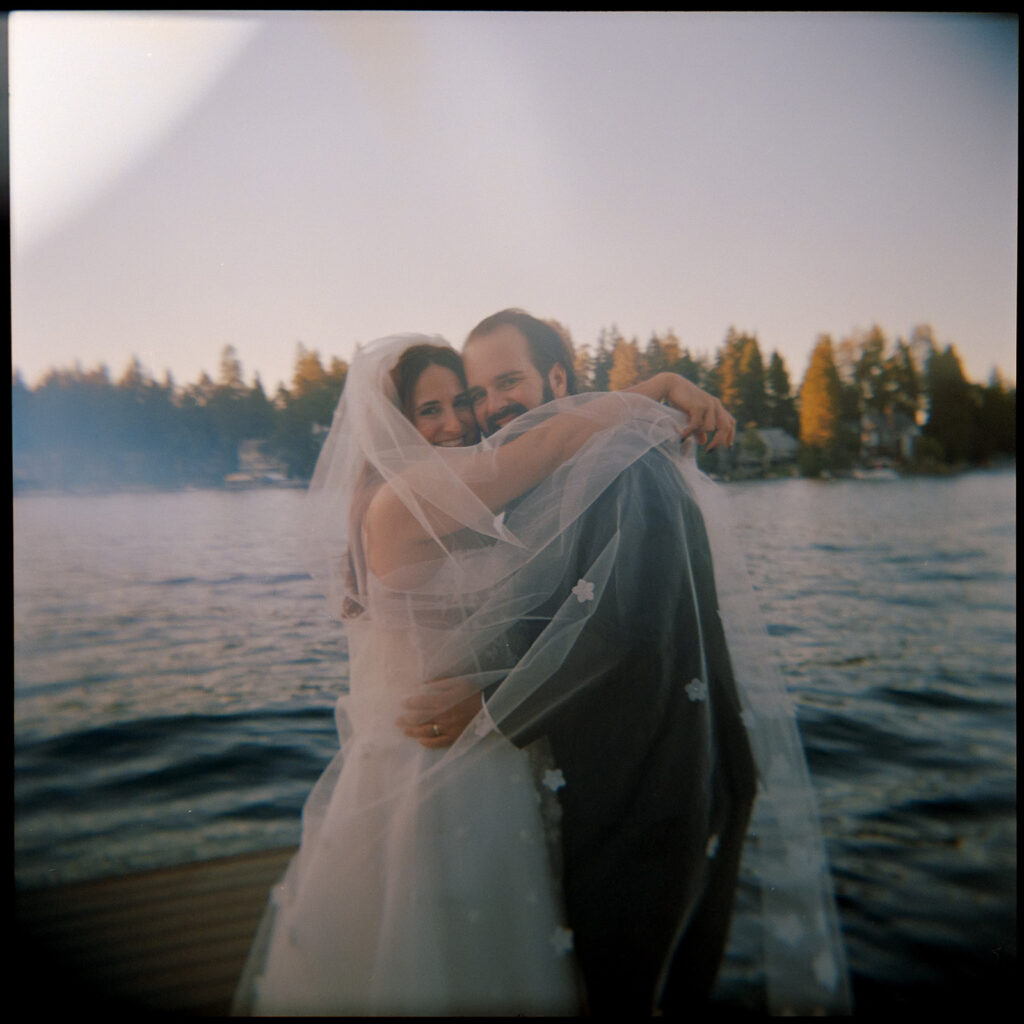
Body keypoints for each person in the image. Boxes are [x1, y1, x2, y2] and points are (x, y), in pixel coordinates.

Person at [232, 334, 732, 1015]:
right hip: (445, 762)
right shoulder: (411, 499)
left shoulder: (416, 499)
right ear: (394, 422)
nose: (456, 422)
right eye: (428, 409)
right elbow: (551, 445)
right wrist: (664, 384)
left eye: (460, 402)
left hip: (444, 744)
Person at [399, 309, 852, 1015]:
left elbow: (626, 628)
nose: (490, 408)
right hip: (624, 775)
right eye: (478, 392)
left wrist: (488, 705)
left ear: (556, 378)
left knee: (632, 984)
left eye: (507, 381)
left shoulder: (623, 464)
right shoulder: (570, 466)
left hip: (654, 787)